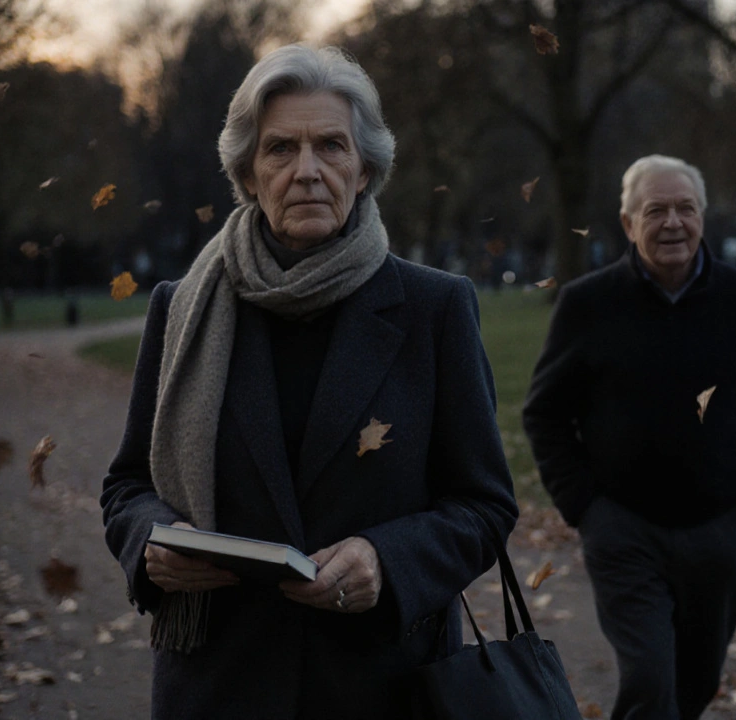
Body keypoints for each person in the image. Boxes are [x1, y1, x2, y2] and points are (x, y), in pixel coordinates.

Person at [100, 43, 517, 719]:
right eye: (280, 149)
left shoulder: (434, 308)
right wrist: (152, 542)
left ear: (364, 169)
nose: (307, 171)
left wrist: (387, 559)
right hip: (219, 683)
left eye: (330, 146)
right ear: (247, 172)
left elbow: (484, 506)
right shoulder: (182, 309)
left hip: (384, 686)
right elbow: (127, 487)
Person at [522, 155, 736, 720]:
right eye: (655, 211)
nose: (673, 223)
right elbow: (544, 413)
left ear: (702, 218)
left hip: (719, 530)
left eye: (685, 209)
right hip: (623, 529)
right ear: (629, 224)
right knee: (649, 676)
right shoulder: (587, 304)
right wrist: (584, 507)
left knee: (695, 684)